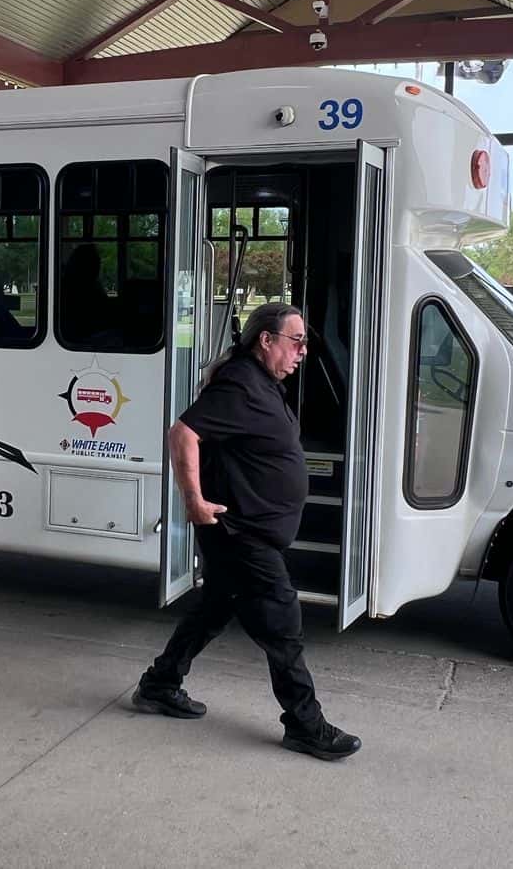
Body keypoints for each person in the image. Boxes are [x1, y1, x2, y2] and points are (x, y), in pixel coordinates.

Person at [133, 301, 362, 761]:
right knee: (282, 624)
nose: (302, 352)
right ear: (266, 340)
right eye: (296, 342)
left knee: (214, 609)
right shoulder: (240, 384)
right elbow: (183, 434)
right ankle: (304, 723)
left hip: (243, 530)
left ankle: (159, 684)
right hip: (241, 532)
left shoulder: (262, 382)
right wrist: (194, 501)